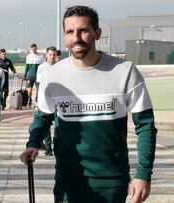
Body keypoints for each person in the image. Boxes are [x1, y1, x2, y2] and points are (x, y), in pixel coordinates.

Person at [20, 5, 157, 203]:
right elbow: (43, 117)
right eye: (70, 32)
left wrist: (143, 174)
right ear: (65, 36)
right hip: (68, 182)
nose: (76, 38)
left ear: (97, 33)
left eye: (83, 30)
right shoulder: (52, 76)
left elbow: (145, 126)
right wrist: (33, 144)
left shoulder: (125, 72)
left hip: (111, 183)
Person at [35, 46, 58, 156]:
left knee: (59, 125)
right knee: (45, 126)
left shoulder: (60, 67)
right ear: (46, 55)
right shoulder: (41, 67)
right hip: (44, 101)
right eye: (50, 54)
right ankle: (48, 147)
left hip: (58, 101)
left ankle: (58, 145)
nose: (52, 57)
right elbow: (38, 85)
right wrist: (36, 100)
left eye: (54, 55)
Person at [24, 43, 44, 107]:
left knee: (38, 89)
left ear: (36, 48)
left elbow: (42, 66)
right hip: (30, 75)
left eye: (34, 49)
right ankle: (29, 99)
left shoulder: (41, 56)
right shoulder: (28, 56)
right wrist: (25, 75)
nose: (33, 50)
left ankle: (36, 100)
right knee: (29, 90)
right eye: (32, 49)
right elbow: (27, 66)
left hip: (38, 76)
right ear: (30, 49)